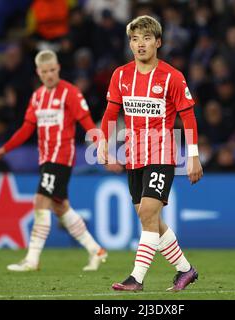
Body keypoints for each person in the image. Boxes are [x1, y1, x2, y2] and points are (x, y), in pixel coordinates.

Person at [98, 16, 203, 291]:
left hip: (162, 153)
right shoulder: (120, 75)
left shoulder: (172, 77)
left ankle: (136, 278)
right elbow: (111, 112)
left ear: (158, 42)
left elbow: (188, 118)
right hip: (134, 154)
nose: (139, 44)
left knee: (147, 213)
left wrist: (193, 156)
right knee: (151, 219)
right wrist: (102, 144)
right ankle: (185, 270)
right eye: (134, 39)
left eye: (145, 38)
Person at [0, 50, 110, 272]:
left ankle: (32, 259)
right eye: (44, 72)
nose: (49, 75)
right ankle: (96, 250)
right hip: (46, 158)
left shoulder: (71, 93)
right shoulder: (37, 97)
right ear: (38, 72)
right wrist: (4, 149)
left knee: (40, 201)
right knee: (61, 208)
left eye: (52, 70)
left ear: (58, 69)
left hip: (61, 157)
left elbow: (87, 123)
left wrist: (101, 145)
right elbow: (27, 129)